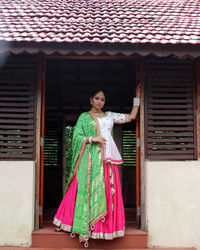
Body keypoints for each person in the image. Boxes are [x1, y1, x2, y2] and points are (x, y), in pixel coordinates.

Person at [53, 84, 141, 247]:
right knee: (79, 188)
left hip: (107, 159)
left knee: (108, 191)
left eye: (102, 99)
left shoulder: (109, 116)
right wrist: (93, 139)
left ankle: (103, 228)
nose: (100, 101)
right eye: (97, 98)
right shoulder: (84, 117)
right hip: (90, 159)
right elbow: (77, 136)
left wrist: (137, 99)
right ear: (91, 100)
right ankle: (67, 222)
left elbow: (131, 117)